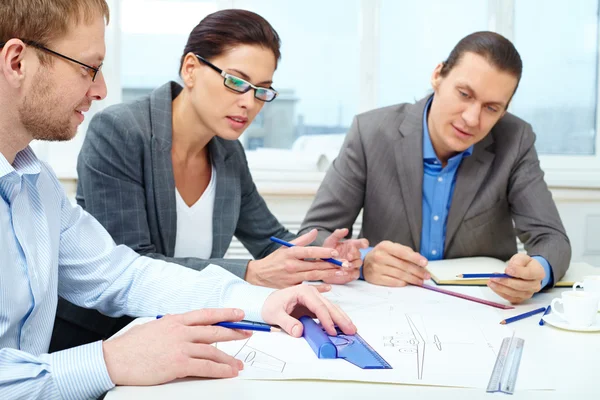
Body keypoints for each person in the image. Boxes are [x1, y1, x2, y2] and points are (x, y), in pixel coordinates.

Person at [0, 1, 356, 398]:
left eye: (262, 90)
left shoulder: (36, 183)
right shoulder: (121, 132)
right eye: (88, 67)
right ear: (17, 61)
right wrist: (108, 360)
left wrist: (263, 301)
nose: (100, 89)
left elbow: (122, 273)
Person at [300, 31, 572, 304]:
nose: (471, 118)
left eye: (491, 108)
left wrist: (539, 271)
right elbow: (312, 235)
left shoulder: (515, 139)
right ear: (438, 75)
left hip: (480, 307)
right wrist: (363, 259)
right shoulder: (371, 132)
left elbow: (551, 239)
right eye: (464, 94)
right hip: (386, 303)